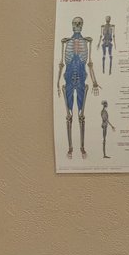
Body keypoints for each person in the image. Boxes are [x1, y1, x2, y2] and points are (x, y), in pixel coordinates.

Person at [57, 17, 95, 158]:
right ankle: (70, 148)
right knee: (69, 117)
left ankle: (82, 147)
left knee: (81, 116)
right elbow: (61, 64)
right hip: (68, 80)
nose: (77, 25)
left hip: (80, 81)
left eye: (79, 23)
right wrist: (57, 83)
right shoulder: (66, 42)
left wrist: (94, 82)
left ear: (82, 25)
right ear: (72, 25)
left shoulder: (86, 41)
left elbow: (89, 63)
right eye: (75, 23)